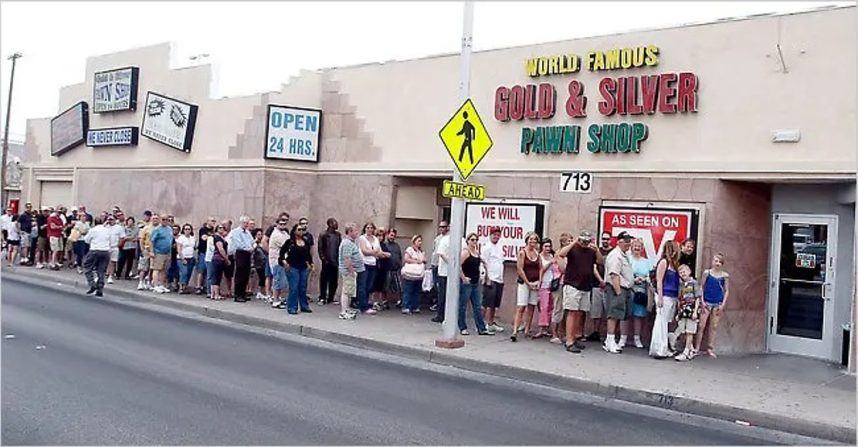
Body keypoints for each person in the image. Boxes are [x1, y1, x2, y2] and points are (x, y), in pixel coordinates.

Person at [556, 230, 600, 353]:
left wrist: (596, 249)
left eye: (587, 241)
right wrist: (574, 242)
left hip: (585, 286)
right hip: (572, 285)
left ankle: (574, 337)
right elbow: (561, 254)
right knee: (572, 312)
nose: (585, 243)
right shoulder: (573, 249)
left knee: (580, 313)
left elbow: (600, 261)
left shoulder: (591, 251)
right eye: (583, 241)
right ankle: (569, 341)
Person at [649, 240, 682, 359]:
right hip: (665, 295)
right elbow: (659, 281)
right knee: (661, 322)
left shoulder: (674, 264)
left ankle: (664, 347)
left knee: (667, 322)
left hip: (672, 296)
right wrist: (660, 297)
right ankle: (659, 349)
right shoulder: (664, 262)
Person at [603, 231, 634, 354]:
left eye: (629, 241)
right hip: (616, 288)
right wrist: (618, 291)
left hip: (623, 288)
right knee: (614, 315)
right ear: (619, 242)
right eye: (626, 241)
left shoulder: (623, 255)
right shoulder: (616, 255)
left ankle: (610, 340)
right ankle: (610, 341)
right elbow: (614, 274)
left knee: (618, 315)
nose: (628, 244)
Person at [694, 253, 730, 358]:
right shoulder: (707, 273)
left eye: (719, 261)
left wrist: (723, 304)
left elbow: (727, 290)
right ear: (712, 261)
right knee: (701, 325)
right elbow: (702, 286)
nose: (717, 263)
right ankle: (697, 347)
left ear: (722, 263)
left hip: (718, 303)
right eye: (716, 261)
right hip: (707, 302)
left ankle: (710, 348)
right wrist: (702, 301)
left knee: (713, 326)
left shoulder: (725, 275)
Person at [458, 233, 494, 336]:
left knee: (477, 306)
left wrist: (486, 276)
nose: (474, 242)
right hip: (467, 283)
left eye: (476, 240)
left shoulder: (477, 253)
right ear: (468, 241)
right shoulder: (466, 252)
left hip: (475, 282)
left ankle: (481, 328)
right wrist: (464, 278)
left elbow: (484, 263)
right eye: (472, 240)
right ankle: (462, 327)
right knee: (463, 306)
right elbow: (458, 265)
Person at [338, 222, 373, 319]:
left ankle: (347, 309)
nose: (357, 233)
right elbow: (347, 258)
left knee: (349, 291)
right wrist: (351, 271)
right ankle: (343, 311)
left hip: (352, 271)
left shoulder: (351, 242)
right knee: (346, 291)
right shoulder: (347, 243)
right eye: (355, 231)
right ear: (349, 232)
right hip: (348, 271)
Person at [511, 232, 541, 342]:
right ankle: (515, 330)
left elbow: (541, 268)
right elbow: (520, 269)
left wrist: (539, 281)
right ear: (527, 240)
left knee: (531, 306)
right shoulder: (522, 252)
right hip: (524, 283)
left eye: (535, 240)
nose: (533, 242)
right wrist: (528, 282)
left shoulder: (537, 254)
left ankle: (527, 329)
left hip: (535, 282)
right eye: (531, 239)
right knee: (521, 307)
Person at [280, 224, 314, 314]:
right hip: (293, 267)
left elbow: (308, 255)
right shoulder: (290, 242)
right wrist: (284, 262)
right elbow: (282, 253)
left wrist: (311, 264)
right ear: (294, 231)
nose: (301, 231)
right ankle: (292, 307)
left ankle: (304, 306)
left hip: (303, 267)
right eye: (299, 229)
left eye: (302, 230)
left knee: (302, 287)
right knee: (294, 287)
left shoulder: (305, 242)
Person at [585, 231, 612, 342]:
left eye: (607, 239)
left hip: (609, 285)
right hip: (596, 284)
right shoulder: (596, 250)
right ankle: (595, 332)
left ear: (610, 240)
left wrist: (606, 281)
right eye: (603, 239)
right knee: (596, 310)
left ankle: (608, 334)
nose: (605, 241)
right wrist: (600, 280)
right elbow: (594, 267)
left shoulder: (614, 252)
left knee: (608, 312)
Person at [626, 238, 652, 349]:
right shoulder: (627, 259)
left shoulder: (646, 262)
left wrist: (644, 279)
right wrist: (633, 280)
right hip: (628, 289)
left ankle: (637, 338)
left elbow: (650, 276)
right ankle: (623, 338)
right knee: (626, 315)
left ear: (642, 249)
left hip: (641, 291)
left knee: (638, 316)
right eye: (635, 246)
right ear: (631, 247)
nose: (637, 248)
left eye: (639, 246)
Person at [673, 264, 702, 361]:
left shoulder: (694, 283)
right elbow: (679, 299)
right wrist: (678, 313)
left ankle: (686, 352)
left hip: (691, 309)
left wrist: (695, 312)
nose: (682, 274)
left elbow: (698, 298)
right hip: (683, 310)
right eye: (680, 273)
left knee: (690, 331)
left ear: (689, 271)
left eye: (684, 271)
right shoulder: (681, 285)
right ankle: (691, 349)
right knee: (683, 330)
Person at [480, 227, 505, 333]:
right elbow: (483, 263)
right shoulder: (486, 248)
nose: (496, 237)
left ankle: (490, 323)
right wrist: (486, 278)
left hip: (499, 278)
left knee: (494, 304)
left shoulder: (499, 247)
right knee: (486, 303)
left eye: (498, 235)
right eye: (494, 235)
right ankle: (480, 323)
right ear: (490, 235)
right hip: (490, 278)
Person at [534, 238, 560, 339]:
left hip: (552, 284)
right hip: (543, 284)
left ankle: (547, 328)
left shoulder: (552, 256)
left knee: (550, 307)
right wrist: (550, 262)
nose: (548, 248)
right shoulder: (539, 257)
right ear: (542, 247)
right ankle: (541, 328)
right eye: (546, 246)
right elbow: (542, 269)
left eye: (549, 246)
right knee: (543, 307)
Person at [549, 233, 572, 344]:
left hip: (567, 283)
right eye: (568, 241)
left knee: (565, 309)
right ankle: (554, 333)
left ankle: (562, 332)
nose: (570, 242)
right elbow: (563, 269)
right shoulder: (559, 254)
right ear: (563, 242)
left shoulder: (570, 254)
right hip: (559, 283)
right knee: (558, 308)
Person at [358, 222, 385, 311]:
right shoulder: (362, 238)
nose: (369, 229)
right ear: (365, 229)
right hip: (364, 263)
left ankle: (366, 302)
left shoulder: (375, 239)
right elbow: (364, 251)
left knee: (370, 285)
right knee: (363, 284)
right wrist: (374, 252)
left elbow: (380, 252)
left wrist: (375, 252)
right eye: (367, 227)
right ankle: (362, 305)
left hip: (373, 264)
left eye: (371, 228)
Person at [82, 217, 111, 297]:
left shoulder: (93, 230)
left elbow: (86, 240)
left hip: (95, 250)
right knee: (101, 270)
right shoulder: (107, 230)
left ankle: (92, 284)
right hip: (105, 251)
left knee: (87, 267)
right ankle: (100, 288)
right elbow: (110, 240)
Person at [228, 216, 255, 302]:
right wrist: (248, 248)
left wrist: (253, 247)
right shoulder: (236, 232)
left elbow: (252, 241)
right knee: (240, 274)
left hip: (248, 254)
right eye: (245, 223)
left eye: (247, 223)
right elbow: (238, 244)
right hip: (241, 253)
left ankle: (243, 293)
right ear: (241, 223)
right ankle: (237, 295)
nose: (246, 225)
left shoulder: (247, 232)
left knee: (246, 274)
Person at [317, 218, 342, 305]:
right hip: (327, 261)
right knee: (324, 280)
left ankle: (331, 297)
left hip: (335, 260)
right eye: (334, 223)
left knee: (334, 280)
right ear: (330, 224)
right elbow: (320, 248)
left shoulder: (338, 235)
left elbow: (339, 247)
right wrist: (323, 258)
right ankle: (322, 297)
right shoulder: (323, 234)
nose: (336, 224)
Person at [268, 217, 291, 309]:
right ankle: (275, 300)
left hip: (283, 259)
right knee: (277, 280)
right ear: (277, 224)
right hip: (276, 260)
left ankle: (278, 298)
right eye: (280, 224)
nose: (282, 225)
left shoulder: (284, 233)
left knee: (281, 280)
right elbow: (286, 245)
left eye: (284, 224)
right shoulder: (276, 234)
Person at [148, 214, 174, 294]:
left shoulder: (169, 229)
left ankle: (161, 285)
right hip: (158, 252)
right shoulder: (157, 229)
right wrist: (152, 251)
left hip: (167, 252)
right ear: (160, 220)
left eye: (167, 220)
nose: (165, 221)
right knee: (156, 269)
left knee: (164, 269)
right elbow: (151, 241)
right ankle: (155, 285)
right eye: (163, 219)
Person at [400, 234, 426, 314]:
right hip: (410, 273)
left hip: (418, 275)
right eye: (418, 241)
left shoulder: (421, 251)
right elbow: (406, 259)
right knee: (408, 290)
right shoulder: (410, 249)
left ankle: (415, 306)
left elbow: (424, 260)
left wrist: (423, 260)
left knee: (416, 290)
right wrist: (416, 261)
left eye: (421, 241)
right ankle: (406, 306)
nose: (420, 243)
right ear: (414, 242)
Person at [431, 222, 451, 323]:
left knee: (443, 293)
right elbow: (435, 252)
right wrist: (433, 264)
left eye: (443, 227)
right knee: (437, 290)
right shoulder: (438, 238)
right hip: (436, 267)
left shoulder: (449, 239)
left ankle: (442, 314)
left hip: (444, 269)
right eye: (440, 227)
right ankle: (439, 312)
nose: (441, 228)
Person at [381, 228, 403, 309]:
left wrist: (400, 265)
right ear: (387, 235)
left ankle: (399, 301)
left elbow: (400, 256)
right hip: (387, 269)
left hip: (396, 269)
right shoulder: (384, 245)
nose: (392, 237)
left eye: (393, 236)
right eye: (391, 235)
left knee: (399, 286)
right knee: (385, 286)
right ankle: (385, 301)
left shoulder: (397, 245)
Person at [194, 217, 216, 295]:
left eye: (214, 221)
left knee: (209, 271)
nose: (214, 222)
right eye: (212, 221)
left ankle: (206, 287)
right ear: (208, 221)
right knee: (201, 270)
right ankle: (198, 286)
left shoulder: (214, 230)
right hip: (203, 252)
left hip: (211, 253)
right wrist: (211, 237)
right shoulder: (203, 230)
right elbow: (204, 238)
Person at [208, 224, 230, 300]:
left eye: (223, 228)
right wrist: (226, 259)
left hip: (219, 259)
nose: (222, 229)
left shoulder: (221, 238)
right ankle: (216, 294)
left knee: (216, 276)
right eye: (220, 228)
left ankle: (213, 294)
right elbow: (221, 249)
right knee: (217, 277)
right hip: (218, 259)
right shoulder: (217, 238)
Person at [136, 211, 155, 290]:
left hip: (154, 250)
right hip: (146, 249)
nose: (155, 220)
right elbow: (141, 239)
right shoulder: (146, 228)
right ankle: (141, 282)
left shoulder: (157, 228)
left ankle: (149, 282)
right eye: (153, 219)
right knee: (144, 267)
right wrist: (142, 249)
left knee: (151, 268)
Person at [176, 223, 197, 294]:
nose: (187, 230)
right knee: (184, 272)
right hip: (182, 258)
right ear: (183, 230)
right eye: (186, 229)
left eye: (189, 229)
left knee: (189, 273)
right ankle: (181, 287)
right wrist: (182, 258)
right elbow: (179, 249)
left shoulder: (192, 238)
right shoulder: (181, 238)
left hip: (190, 257)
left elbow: (194, 247)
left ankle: (185, 286)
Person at [105, 215, 125, 284]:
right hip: (106, 246)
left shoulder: (119, 228)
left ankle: (110, 276)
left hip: (114, 247)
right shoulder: (105, 227)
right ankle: (105, 273)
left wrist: (119, 244)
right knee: (105, 261)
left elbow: (122, 237)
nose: (110, 221)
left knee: (113, 262)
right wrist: (105, 223)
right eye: (109, 219)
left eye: (111, 219)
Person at [251, 228, 270, 300]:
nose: (260, 236)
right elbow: (252, 252)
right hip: (258, 263)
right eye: (258, 234)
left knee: (263, 277)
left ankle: (261, 292)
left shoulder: (263, 243)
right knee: (261, 277)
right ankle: (259, 292)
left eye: (261, 234)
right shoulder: (255, 243)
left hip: (264, 262)